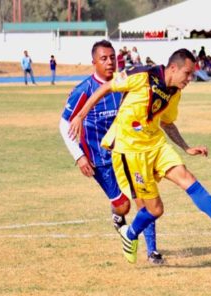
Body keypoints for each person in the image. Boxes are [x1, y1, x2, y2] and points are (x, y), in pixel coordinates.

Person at [67, 49, 211, 264]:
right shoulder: (143, 75)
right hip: (129, 150)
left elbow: (167, 122)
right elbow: (107, 87)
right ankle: (131, 235)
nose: (190, 79)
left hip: (156, 144)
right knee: (154, 209)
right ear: (173, 68)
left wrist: (186, 147)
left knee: (187, 178)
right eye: (188, 74)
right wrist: (80, 115)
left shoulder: (174, 92)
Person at [58, 40, 163, 264]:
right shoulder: (84, 90)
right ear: (93, 62)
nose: (109, 62)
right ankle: (117, 215)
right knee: (124, 205)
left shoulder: (124, 83)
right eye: (103, 58)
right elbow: (63, 124)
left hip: (127, 153)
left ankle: (152, 251)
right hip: (100, 160)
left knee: (144, 198)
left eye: (112, 57)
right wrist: (79, 156)